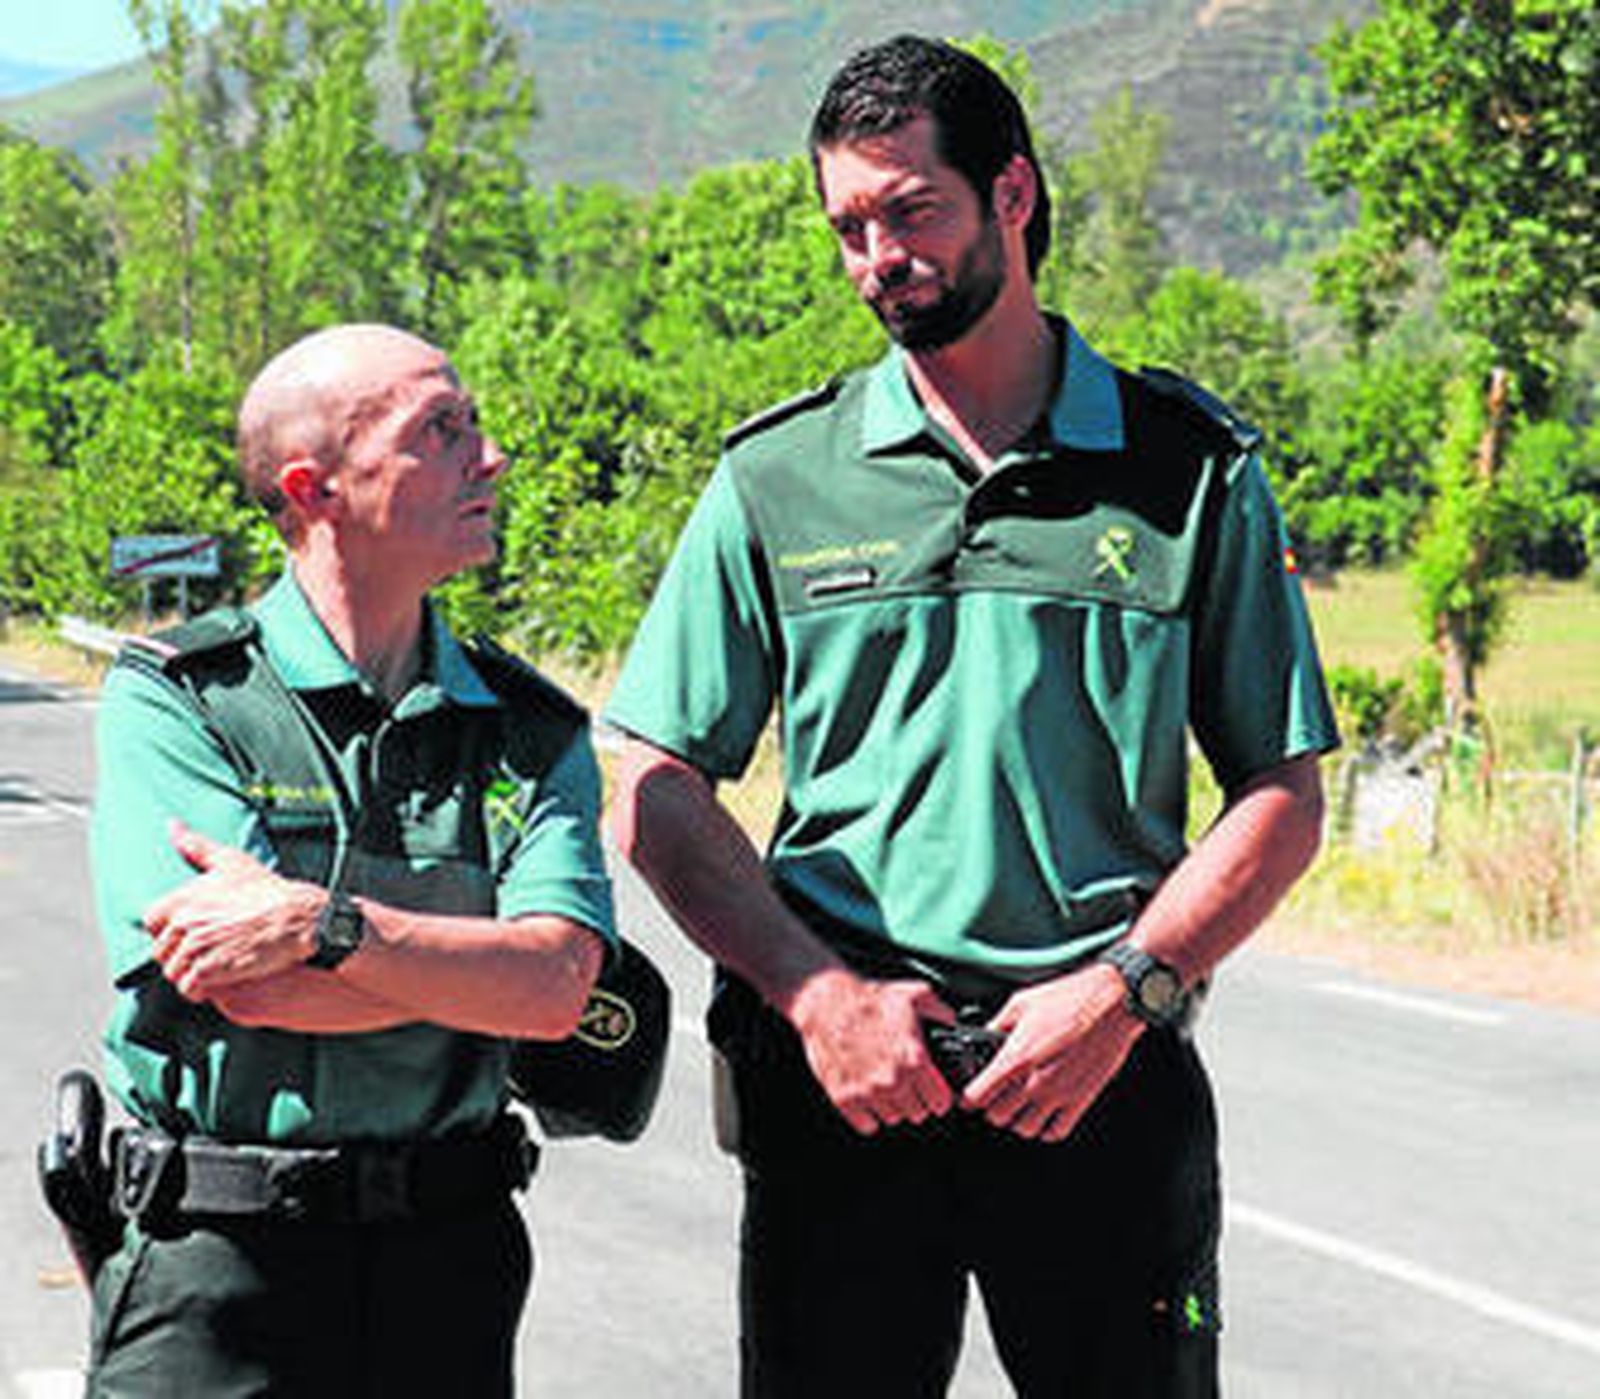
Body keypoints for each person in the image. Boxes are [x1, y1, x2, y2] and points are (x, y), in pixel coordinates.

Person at [606, 34, 1338, 1398]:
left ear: (1013, 191)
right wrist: (818, 998)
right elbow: (649, 780)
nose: (877, 253)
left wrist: (1126, 994)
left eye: (911, 209)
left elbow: (1282, 793)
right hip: (847, 1083)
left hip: (1099, 1071)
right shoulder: (781, 474)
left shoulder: (1187, 470)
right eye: (849, 226)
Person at [86, 323, 615, 1397]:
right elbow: (247, 988)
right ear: (314, 486)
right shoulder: (182, 699)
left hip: (448, 1266)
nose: (491, 454)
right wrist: (477, 973)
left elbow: (559, 988)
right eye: (443, 428)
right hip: (216, 1267)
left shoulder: (527, 728)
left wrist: (324, 926)